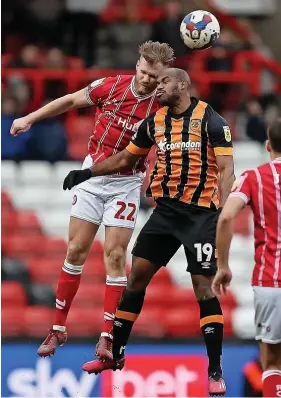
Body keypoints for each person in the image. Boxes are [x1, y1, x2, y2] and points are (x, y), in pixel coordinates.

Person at [63, 68, 235, 396]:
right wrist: (86, 172)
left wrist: (223, 213)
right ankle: (115, 354)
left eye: (164, 82)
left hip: (200, 216)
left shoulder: (212, 121)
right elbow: (127, 157)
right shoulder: (154, 122)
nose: (158, 87)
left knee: (203, 289)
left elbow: (227, 171)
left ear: (182, 85)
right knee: (135, 280)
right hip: (164, 214)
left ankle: (215, 369)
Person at [10, 41, 175, 359]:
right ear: (137, 65)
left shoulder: (164, 107)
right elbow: (71, 100)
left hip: (126, 184)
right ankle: (57, 328)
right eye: (142, 72)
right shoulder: (111, 86)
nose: (145, 80)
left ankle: (108, 336)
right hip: (91, 176)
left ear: (162, 76)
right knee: (75, 250)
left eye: (152, 77)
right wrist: (30, 118)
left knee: (115, 256)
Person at [212, 118, 281, 397]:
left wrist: (223, 266)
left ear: (267, 146)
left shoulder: (254, 177)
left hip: (270, 281)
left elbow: (226, 216)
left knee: (272, 363)